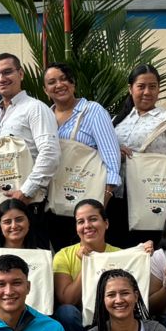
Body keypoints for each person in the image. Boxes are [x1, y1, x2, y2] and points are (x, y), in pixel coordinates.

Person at [112, 64, 166, 243]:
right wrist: (116, 155)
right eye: (141, 86)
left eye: (152, 87)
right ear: (130, 89)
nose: (147, 92)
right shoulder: (117, 121)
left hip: (153, 198)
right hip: (118, 200)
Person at [43, 63, 123, 243]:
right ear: (45, 90)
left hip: (88, 205)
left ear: (73, 84)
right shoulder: (44, 116)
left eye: (64, 79)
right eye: (52, 82)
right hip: (55, 205)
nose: (59, 85)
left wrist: (103, 202)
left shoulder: (93, 111)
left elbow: (111, 158)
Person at [50, 198, 135, 331]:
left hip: (112, 314)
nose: (87, 225)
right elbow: (67, 300)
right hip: (79, 320)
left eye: (93, 219)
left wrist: (143, 252)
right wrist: (86, 265)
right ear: (76, 228)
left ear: (106, 223)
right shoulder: (63, 255)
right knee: (66, 312)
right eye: (81, 222)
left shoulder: (121, 255)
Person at [0, 54, 60, 223]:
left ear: (20, 74)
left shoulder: (35, 108)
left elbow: (50, 153)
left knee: (33, 250)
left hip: (28, 204)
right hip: (0, 207)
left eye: (7, 72)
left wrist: (26, 191)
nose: (1, 78)